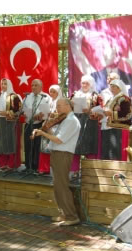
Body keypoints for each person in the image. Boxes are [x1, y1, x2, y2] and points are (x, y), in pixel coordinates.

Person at [32, 98, 81, 226]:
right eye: (57, 106)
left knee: (62, 185)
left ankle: (71, 216)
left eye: (59, 106)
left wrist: (43, 133)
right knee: (57, 185)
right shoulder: (65, 120)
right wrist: (47, 130)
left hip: (63, 154)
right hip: (57, 153)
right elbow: (55, 136)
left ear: (68, 106)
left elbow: (59, 140)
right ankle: (64, 213)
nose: (57, 108)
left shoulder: (71, 120)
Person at [70, 75, 100, 178]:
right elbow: (68, 107)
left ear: (91, 84)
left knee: (89, 146)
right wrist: (72, 104)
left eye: (87, 83)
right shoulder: (75, 94)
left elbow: (101, 109)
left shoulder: (95, 95)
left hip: (90, 123)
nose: (84, 85)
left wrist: (90, 110)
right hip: (76, 122)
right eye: (83, 83)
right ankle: (75, 170)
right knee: (76, 146)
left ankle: (90, 171)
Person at [0, 78, 22, 170]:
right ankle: (2, 163)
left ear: (9, 85)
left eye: (5, 84)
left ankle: (11, 163)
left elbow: (19, 111)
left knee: (10, 142)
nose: (3, 85)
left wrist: (7, 113)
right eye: (2, 83)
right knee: (0, 142)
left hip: (9, 123)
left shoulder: (14, 96)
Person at [22, 79, 50, 172]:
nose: (33, 87)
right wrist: (24, 113)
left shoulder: (46, 97)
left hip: (39, 124)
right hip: (28, 123)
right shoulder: (27, 97)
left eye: (36, 85)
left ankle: (36, 166)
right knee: (28, 145)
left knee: (37, 146)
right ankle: (27, 166)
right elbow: (23, 108)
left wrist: (42, 116)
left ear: (41, 87)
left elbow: (49, 111)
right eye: (32, 85)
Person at [101, 79, 132, 160]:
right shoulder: (110, 99)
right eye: (111, 87)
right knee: (105, 151)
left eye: (114, 87)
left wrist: (112, 113)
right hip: (107, 127)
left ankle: (115, 171)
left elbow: (127, 114)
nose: (112, 88)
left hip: (118, 129)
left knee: (115, 152)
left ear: (120, 88)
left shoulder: (124, 99)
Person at [38, 85, 63, 175]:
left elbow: (64, 115)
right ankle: (44, 168)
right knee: (45, 147)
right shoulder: (48, 101)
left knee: (55, 148)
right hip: (47, 125)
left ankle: (55, 169)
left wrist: (54, 115)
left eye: (54, 92)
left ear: (58, 92)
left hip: (56, 126)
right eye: (50, 91)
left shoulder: (61, 102)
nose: (51, 93)